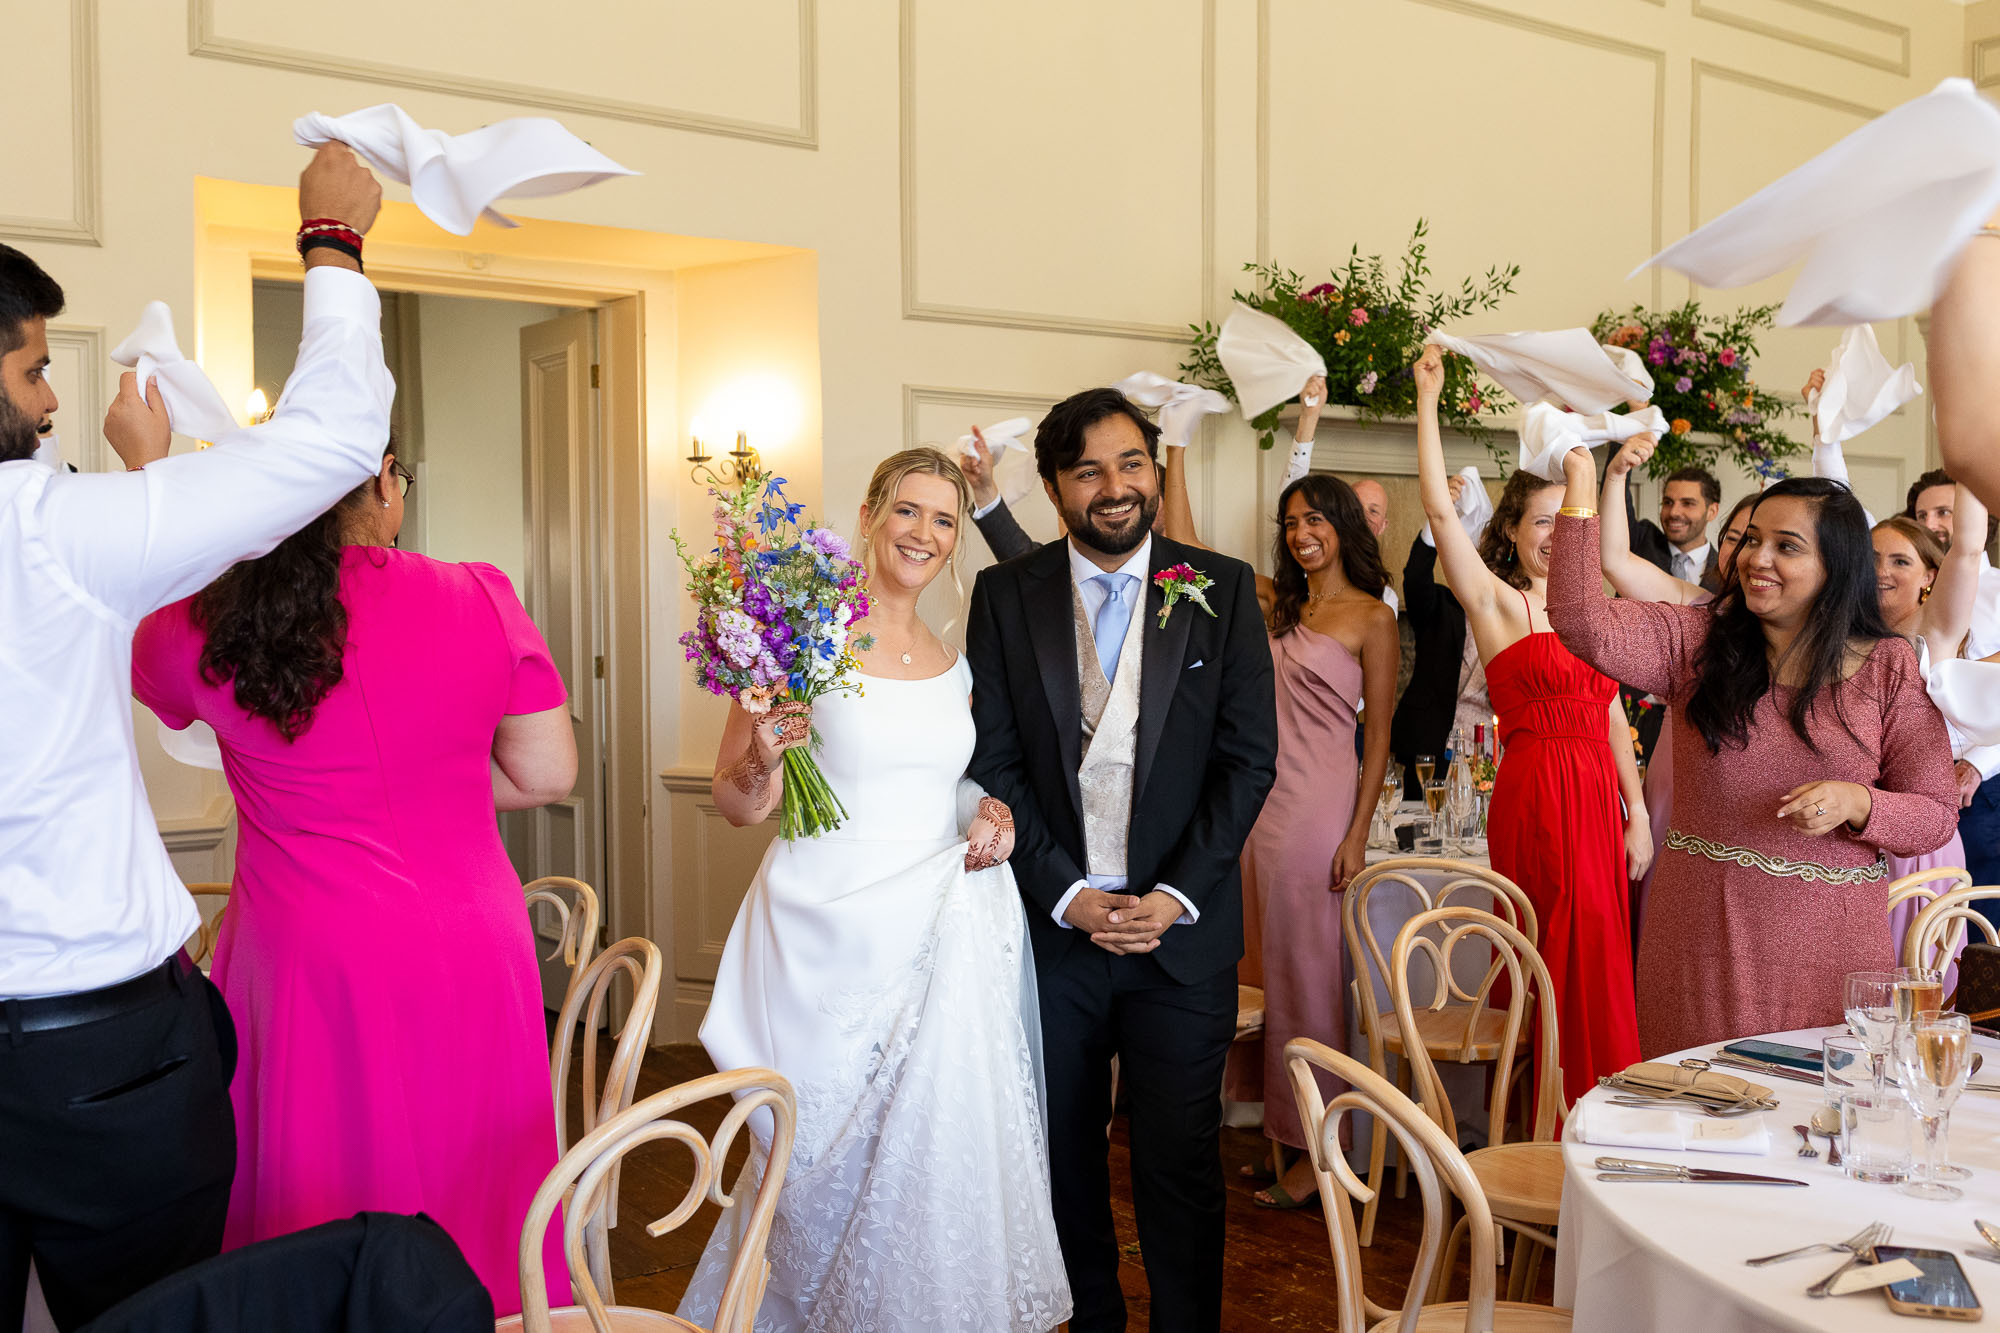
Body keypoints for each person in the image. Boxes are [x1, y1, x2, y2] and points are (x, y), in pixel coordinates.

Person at [0, 145, 392, 1330]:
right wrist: (333, 245)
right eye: (28, 370)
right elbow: (326, 449)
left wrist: (139, 482)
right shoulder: (53, 535)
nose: (52, 397)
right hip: (97, 1064)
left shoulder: (64, 529)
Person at [129, 426, 575, 1315]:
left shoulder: (210, 617)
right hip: (469, 940)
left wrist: (154, 474)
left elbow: (153, 673)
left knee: (318, 1180)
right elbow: (547, 772)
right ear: (379, 481)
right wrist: (431, 783)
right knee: (477, 1165)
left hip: (308, 949)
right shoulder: (479, 594)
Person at [680, 448, 1071, 1332]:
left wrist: (989, 809)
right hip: (824, 937)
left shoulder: (954, 654)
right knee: (812, 1172)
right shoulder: (798, 635)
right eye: (908, 511)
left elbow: (945, 783)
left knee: (920, 1171)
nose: (924, 534)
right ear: (868, 513)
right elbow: (740, 805)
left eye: (943, 519)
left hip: (930, 938)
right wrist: (767, 754)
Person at [967, 388, 1276, 1333]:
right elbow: (996, 759)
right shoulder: (1006, 595)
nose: (1115, 487)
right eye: (1089, 470)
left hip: (1181, 945)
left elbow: (1247, 759)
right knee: (1061, 1156)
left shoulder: (1220, 588)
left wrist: (1176, 895)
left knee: (1179, 1163)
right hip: (1056, 941)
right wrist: (1065, 894)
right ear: (1056, 485)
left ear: (1157, 469)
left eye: (1132, 463)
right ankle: (1089, 1319)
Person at [1549, 453, 1960, 1054]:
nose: (1755, 559)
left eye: (1786, 546)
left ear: (1835, 566)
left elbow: (1935, 812)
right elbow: (1580, 621)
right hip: (1700, 942)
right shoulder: (1694, 641)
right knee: (1694, 1121)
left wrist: (1858, 801)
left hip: (1830, 956)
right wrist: (1582, 488)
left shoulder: (1889, 667)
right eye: (1750, 540)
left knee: (1819, 1128)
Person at [1155, 382, 1396, 1212]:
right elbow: (1179, 549)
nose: (1300, 533)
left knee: (1308, 984)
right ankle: (1275, 1135)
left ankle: (1321, 1154)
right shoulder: (1271, 599)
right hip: (1254, 810)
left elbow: (1383, 737)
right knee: (1258, 978)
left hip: (1321, 810)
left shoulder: (1373, 617)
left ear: (1344, 528)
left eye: (1314, 519)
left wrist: (1359, 831)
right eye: (1291, 522)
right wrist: (1174, 445)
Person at [1413, 345, 1647, 1108]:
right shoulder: (1493, 603)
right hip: (1537, 790)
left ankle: (1599, 1112)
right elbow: (1441, 510)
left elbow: (1610, 712)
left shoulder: (1595, 611)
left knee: (1603, 955)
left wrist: (1637, 812)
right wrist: (1428, 399)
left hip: (1597, 800)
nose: (1556, 533)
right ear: (1511, 530)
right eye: (1541, 520)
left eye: (1564, 518)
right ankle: (1546, 1119)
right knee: (1546, 951)